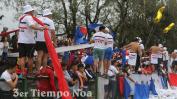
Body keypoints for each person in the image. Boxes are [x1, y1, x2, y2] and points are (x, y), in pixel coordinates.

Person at [18, 5, 47, 75]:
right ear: (29, 11)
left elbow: (30, 24)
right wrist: (41, 28)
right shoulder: (28, 17)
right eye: (32, 11)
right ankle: (30, 73)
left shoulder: (21, 17)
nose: (33, 12)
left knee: (22, 57)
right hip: (29, 41)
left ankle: (22, 73)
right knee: (30, 58)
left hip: (21, 40)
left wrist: (35, 19)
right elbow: (32, 25)